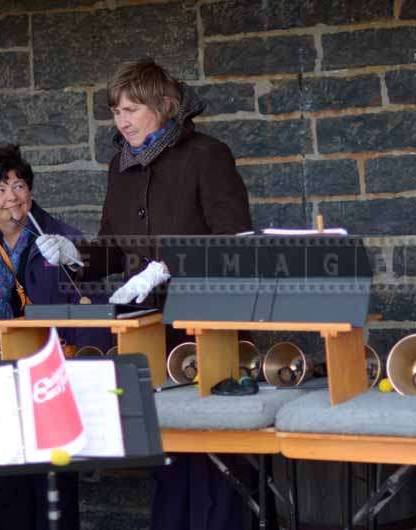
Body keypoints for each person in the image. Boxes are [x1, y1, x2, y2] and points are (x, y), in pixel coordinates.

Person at [34, 58, 253, 530]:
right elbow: (113, 247)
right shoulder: (121, 165)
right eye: (116, 112)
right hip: (146, 332)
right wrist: (74, 254)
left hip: (204, 327)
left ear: (164, 105)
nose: (123, 121)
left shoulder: (207, 155)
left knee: (213, 454)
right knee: (167, 451)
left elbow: (235, 240)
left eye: (132, 109)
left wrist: (167, 267)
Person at [0, 144, 80, 530]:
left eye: (19, 185)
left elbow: (93, 290)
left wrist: (76, 258)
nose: (11, 196)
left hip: (51, 369)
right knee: (10, 472)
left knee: (53, 474)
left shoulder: (60, 236)